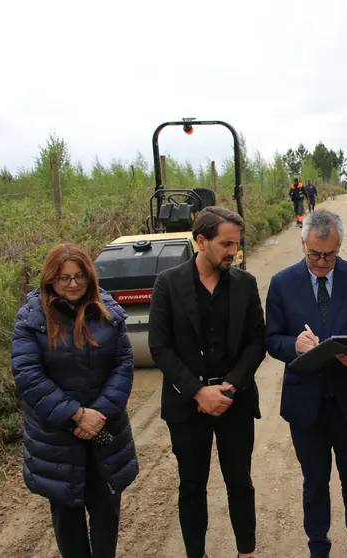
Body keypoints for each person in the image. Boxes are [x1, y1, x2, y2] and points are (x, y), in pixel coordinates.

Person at [148, 206, 266, 558]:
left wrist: (230, 386)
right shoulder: (168, 284)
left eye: (236, 244)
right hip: (187, 405)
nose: (234, 252)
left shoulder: (245, 284)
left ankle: (246, 553)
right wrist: (198, 391)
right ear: (201, 241)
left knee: (240, 483)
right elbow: (160, 347)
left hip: (235, 401)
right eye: (226, 244)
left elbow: (256, 342)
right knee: (192, 486)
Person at [265, 209, 347, 558]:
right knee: (314, 483)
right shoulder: (282, 283)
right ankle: (318, 547)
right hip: (306, 405)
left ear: (339, 246)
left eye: (329, 255)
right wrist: (294, 345)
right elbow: (271, 339)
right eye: (314, 254)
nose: (321, 262)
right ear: (303, 244)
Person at [11, 243, 138, 558]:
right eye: (64, 277)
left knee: (106, 513)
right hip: (57, 438)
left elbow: (123, 365)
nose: (72, 284)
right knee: (68, 522)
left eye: (79, 276)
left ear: (89, 276)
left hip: (103, 432)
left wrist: (98, 414)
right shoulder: (31, 317)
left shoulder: (108, 311)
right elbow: (28, 375)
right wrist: (76, 414)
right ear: (50, 278)